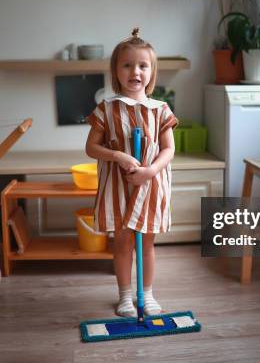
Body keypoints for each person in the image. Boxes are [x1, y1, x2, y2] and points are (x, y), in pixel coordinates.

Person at [85, 28, 177, 317]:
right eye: (127, 65)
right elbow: (91, 148)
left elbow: (168, 150)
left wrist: (149, 171)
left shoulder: (161, 109)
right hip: (118, 186)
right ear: (116, 70)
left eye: (142, 65)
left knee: (147, 242)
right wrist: (119, 155)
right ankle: (125, 295)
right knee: (123, 241)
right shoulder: (106, 109)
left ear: (151, 72)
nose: (135, 71)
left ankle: (146, 294)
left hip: (150, 183)